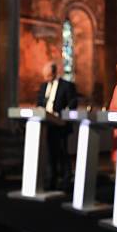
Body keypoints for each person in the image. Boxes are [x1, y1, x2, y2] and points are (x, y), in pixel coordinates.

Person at [37, 61, 78, 190]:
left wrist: (60, 114)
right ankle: (51, 180)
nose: (46, 78)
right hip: (47, 124)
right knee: (50, 153)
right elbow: (39, 102)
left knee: (62, 152)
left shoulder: (67, 85)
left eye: (48, 75)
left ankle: (66, 181)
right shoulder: (44, 86)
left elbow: (73, 102)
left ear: (54, 73)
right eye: (45, 76)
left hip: (61, 124)